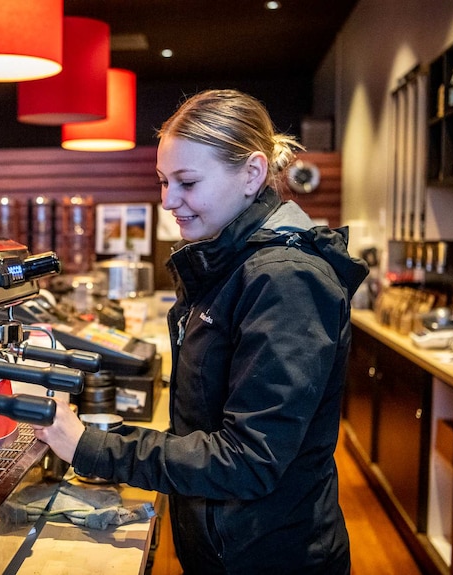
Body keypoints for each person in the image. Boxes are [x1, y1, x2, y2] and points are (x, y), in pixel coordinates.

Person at [32, 89, 369, 574]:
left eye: (187, 182)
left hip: (269, 556)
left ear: (252, 174)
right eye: (164, 181)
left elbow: (249, 458)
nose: (168, 201)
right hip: (222, 543)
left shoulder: (286, 279)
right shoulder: (227, 260)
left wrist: (90, 445)